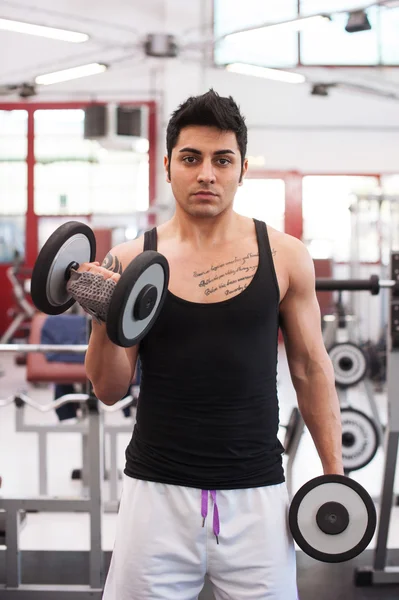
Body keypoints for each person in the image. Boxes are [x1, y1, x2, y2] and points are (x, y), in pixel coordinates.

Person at [81, 89, 344, 599]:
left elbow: (312, 369)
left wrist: (334, 474)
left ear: (242, 168)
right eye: (191, 158)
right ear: (167, 166)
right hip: (155, 496)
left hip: (258, 497)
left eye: (222, 160)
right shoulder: (131, 259)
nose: (206, 174)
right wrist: (101, 316)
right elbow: (109, 389)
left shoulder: (286, 256)